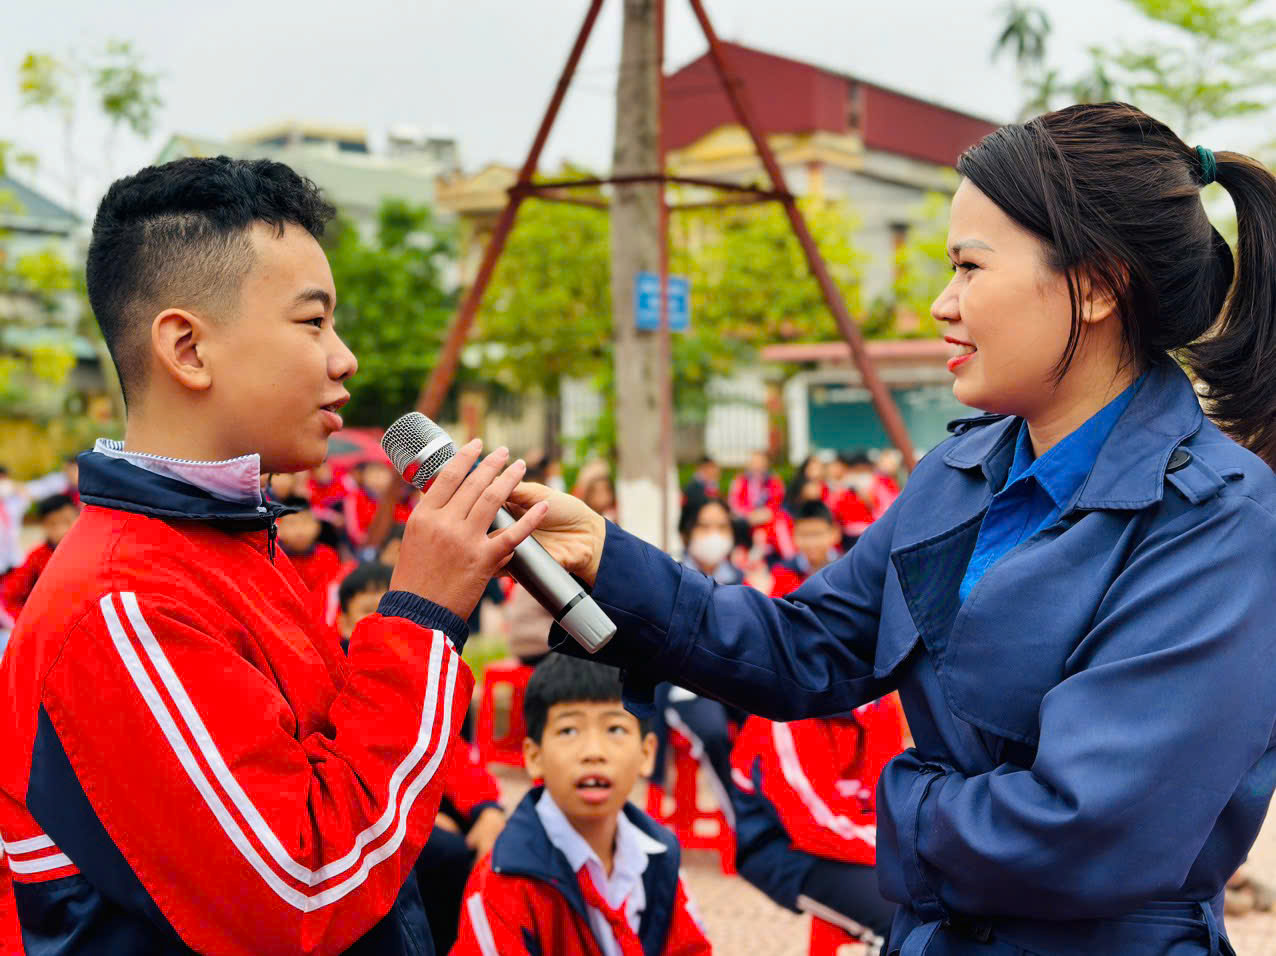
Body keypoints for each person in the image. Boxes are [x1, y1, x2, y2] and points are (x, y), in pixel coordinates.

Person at [511, 103, 1276, 955]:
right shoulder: (958, 477)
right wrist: (606, 556)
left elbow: (1087, 830)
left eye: (969, 267)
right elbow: (804, 646)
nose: (943, 304)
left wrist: (901, 800)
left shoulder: (1220, 520)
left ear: (1097, 285)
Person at [0, 155, 549, 955]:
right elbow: (307, 890)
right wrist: (423, 618)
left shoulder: (220, 544)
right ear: (187, 348)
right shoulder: (124, 602)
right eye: (313, 321)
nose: (344, 357)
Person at [453, 655, 711, 956]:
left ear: (646, 754)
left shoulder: (659, 856)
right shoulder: (502, 879)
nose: (593, 752)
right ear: (534, 756)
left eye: (615, 729)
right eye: (569, 731)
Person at [333, 560, 505, 955]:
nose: (378, 625)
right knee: (447, 854)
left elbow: (452, 753)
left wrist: (487, 808)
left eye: (387, 613)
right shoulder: (336, 675)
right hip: (367, 818)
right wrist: (419, 814)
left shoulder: (416, 673)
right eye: (366, 613)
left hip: (418, 803)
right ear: (342, 622)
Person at [729, 696, 906, 950]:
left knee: (940, 897)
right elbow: (814, 826)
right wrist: (901, 854)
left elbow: (889, 797)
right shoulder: (782, 712)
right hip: (782, 847)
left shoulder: (878, 703)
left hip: (856, 837)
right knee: (904, 917)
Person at [1, 493, 78, 623]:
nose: (62, 530)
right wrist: (29, 624)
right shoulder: (36, 557)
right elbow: (10, 597)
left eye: (67, 521)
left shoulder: (93, 552)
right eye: (53, 524)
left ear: (79, 516)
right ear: (43, 526)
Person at [768, 500, 842, 598]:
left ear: (834, 533)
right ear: (793, 534)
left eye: (817, 534)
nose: (811, 543)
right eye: (804, 535)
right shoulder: (783, 572)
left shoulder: (844, 569)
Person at [277, 495, 342, 596]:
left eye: (305, 522)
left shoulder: (328, 556)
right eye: (291, 523)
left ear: (317, 526)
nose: (300, 531)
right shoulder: (273, 558)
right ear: (278, 528)